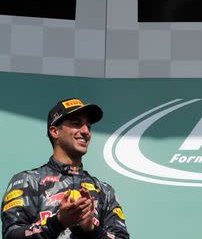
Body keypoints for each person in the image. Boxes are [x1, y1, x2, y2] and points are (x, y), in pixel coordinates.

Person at [1, 98, 129, 239]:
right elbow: (11, 235)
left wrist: (91, 229)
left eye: (89, 126)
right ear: (55, 131)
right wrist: (58, 222)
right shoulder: (27, 181)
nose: (86, 131)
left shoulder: (104, 191)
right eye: (76, 124)